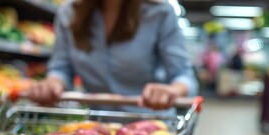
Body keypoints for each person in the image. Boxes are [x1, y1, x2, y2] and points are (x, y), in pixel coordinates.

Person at [26, 0, 198, 113]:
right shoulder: (68, 13)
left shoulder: (159, 12)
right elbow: (61, 68)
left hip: (152, 128)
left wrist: (172, 91)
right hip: (97, 130)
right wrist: (53, 83)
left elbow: (183, 74)